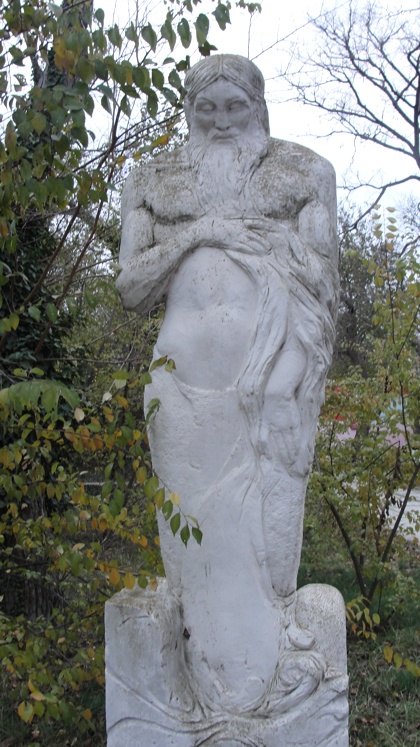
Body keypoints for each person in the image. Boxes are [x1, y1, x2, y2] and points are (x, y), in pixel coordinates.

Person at [116, 54, 339, 714]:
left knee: (268, 543)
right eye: (205, 109)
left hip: (266, 389)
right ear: (188, 110)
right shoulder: (152, 181)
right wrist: (199, 236)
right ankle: (193, 691)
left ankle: (267, 679)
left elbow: (323, 289)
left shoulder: (304, 174)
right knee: (190, 545)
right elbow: (130, 287)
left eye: (233, 108)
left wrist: (287, 380)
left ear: (257, 108)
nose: (219, 122)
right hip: (180, 384)